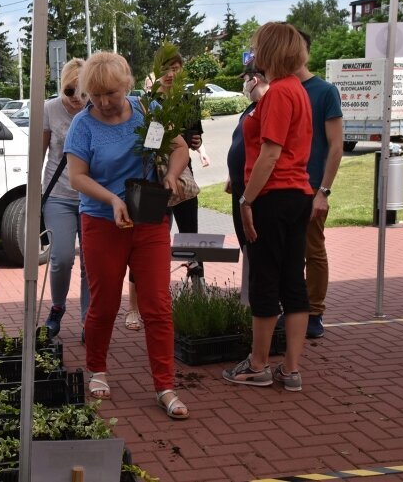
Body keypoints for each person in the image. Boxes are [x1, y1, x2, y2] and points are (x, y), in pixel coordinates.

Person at [64, 52, 191, 419]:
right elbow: (77, 177)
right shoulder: (83, 125)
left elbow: (180, 147)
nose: (103, 102)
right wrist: (112, 199)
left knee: (157, 304)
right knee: (103, 303)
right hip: (102, 221)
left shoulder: (147, 110)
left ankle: (165, 385)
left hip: (148, 218)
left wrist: (170, 175)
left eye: (111, 94)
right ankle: (97, 368)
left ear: (127, 86)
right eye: (95, 95)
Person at [221, 22, 313, 392]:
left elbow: (270, 153)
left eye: (257, 47)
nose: (253, 53)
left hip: (272, 197)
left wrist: (247, 199)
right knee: (293, 279)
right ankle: (290, 369)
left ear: (270, 51)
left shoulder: (278, 94)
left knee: (265, 279)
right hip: (297, 196)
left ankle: (258, 364)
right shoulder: (297, 90)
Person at [125, 52, 205, 332]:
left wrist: (194, 141)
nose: (172, 73)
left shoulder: (189, 100)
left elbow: (194, 140)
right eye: (167, 68)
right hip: (152, 178)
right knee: (145, 241)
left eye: (176, 67)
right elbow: (147, 142)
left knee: (190, 238)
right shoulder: (147, 103)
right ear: (157, 72)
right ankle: (134, 307)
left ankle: (197, 298)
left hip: (180, 178)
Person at [295, 30, 343, 339]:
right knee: (289, 252)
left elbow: (336, 144)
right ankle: (295, 307)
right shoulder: (280, 90)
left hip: (312, 187)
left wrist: (323, 191)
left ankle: (314, 312)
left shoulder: (325, 91)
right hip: (285, 187)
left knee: (312, 250)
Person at [41, 58, 90, 339]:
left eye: (83, 93)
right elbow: (40, 151)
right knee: (61, 257)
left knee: (90, 262)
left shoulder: (95, 109)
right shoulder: (50, 109)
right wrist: (34, 189)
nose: (76, 99)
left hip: (91, 196)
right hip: (58, 194)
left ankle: (88, 319)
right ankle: (57, 307)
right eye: (70, 92)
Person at [226, 64, 270, 249]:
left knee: (257, 244)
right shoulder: (251, 107)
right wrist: (231, 175)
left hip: (254, 190)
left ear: (255, 79)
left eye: (245, 81)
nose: (244, 86)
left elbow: (268, 151)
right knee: (246, 244)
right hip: (239, 185)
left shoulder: (269, 105)